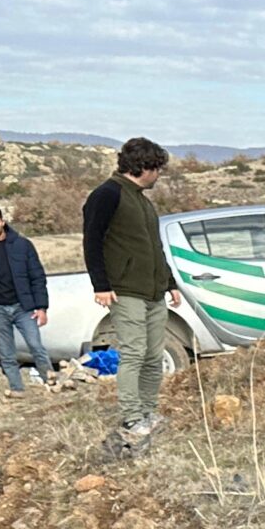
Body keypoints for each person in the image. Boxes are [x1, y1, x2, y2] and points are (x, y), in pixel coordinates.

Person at [82, 137, 174, 446]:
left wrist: (170, 282)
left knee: (152, 355)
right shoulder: (107, 194)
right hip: (125, 290)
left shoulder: (142, 200)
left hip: (154, 290)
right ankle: (132, 417)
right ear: (143, 167)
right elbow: (92, 240)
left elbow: (154, 247)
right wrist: (101, 285)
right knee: (133, 353)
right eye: (157, 169)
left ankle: (148, 412)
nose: (158, 175)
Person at [0, 203, 54, 394]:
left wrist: (41, 307)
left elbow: (37, 277)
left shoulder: (22, 245)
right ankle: (17, 390)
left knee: (36, 346)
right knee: (6, 353)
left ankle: (52, 382)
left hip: (23, 307)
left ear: (3, 221)